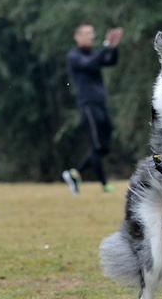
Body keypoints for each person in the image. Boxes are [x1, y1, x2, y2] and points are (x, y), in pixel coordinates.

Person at [62, 24, 124, 195]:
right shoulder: (74, 56)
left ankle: (75, 173)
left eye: (92, 33)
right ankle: (104, 185)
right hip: (88, 105)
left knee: (105, 146)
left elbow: (111, 61)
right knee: (97, 146)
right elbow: (91, 63)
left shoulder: (93, 54)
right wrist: (106, 46)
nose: (91, 37)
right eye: (87, 34)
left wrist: (114, 48)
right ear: (77, 36)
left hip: (101, 104)